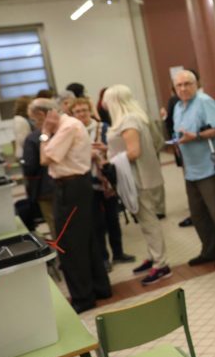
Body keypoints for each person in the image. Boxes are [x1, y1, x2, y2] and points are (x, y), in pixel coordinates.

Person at [36, 98, 112, 313]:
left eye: (37, 119)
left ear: (46, 115)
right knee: (86, 239)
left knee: (70, 244)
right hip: (75, 185)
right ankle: (100, 287)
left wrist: (44, 133)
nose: (36, 124)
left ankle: (83, 297)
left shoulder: (67, 127)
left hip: (72, 188)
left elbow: (45, 158)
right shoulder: (68, 126)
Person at [103, 85, 171, 286]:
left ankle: (161, 264)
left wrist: (110, 160)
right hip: (137, 177)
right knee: (145, 220)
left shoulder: (128, 120)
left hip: (138, 179)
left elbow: (133, 152)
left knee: (149, 222)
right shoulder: (135, 117)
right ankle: (154, 256)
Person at [172, 69, 215, 268]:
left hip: (211, 166)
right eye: (179, 85)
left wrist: (198, 136)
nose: (183, 88)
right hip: (191, 169)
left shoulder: (204, 101)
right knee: (198, 214)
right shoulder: (178, 106)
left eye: (187, 84)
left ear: (196, 84)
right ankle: (210, 249)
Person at [71, 97, 134, 271]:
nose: (82, 114)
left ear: (90, 110)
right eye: (77, 112)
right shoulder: (72, 132)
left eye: (84, 110)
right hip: (86, 181)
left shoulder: (104, 127)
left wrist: (104, 150)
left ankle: (119, 253)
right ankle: (103, 258)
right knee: (97, 222)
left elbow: (115, 148)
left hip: (106, 179)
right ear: (73, 114)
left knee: (112, 218)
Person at [23, 99, 56, 237]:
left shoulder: (33, 138)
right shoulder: (64, 130)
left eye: (32, 118)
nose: (32, 122)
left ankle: (65, 257)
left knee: (55, 225)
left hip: (44, 189)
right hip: (67, 185)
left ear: (40, 114)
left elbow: (30, 167)